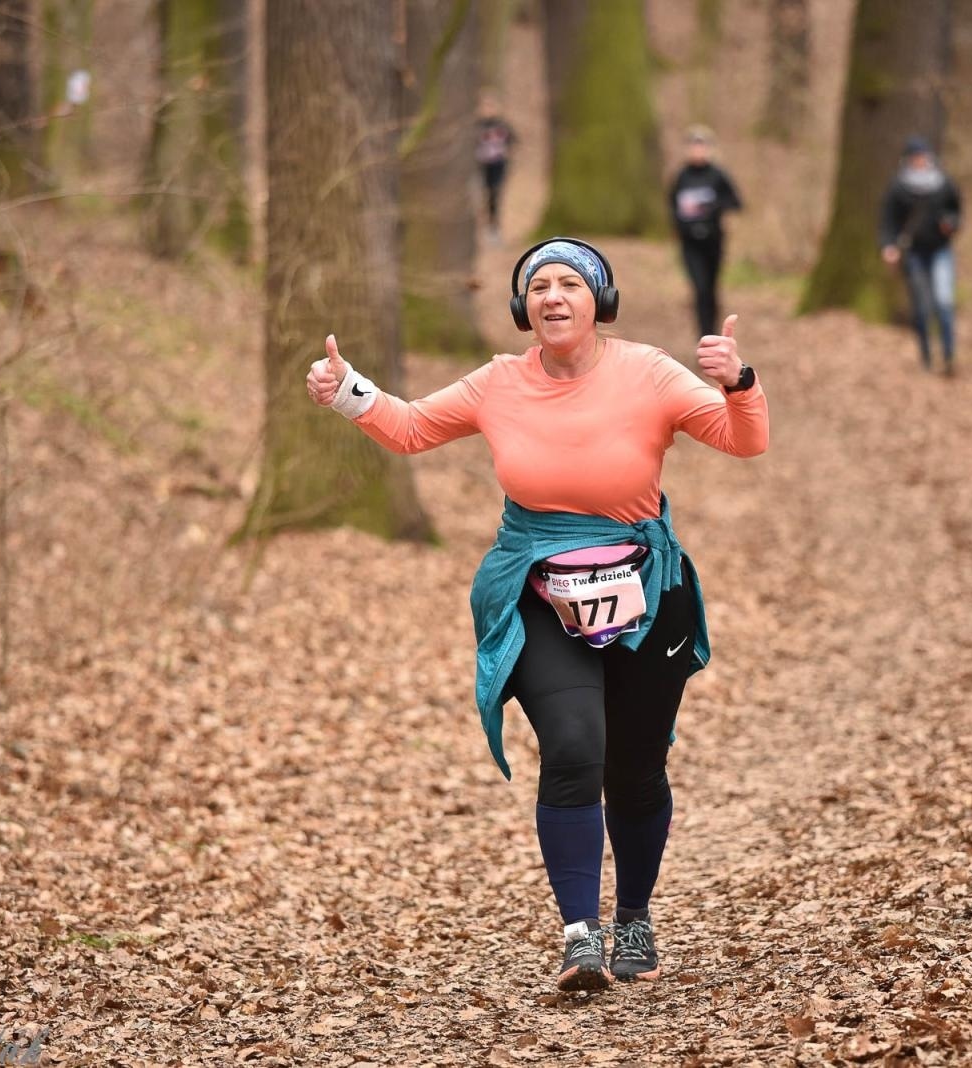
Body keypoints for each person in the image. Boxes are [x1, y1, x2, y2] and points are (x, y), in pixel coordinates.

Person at [305, 238, 768, 993]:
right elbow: (412, 427)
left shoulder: (650, 372)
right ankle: (581, 935)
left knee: (636, 768)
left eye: (569, 284)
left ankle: (634, 918)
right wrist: (346, 390)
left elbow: (744, 441)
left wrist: (740, 383)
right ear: (523, 308)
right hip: (540, 592)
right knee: (575, 746)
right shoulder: (499, 382)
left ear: (599, 301)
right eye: (539, 286)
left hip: (647, 590)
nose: (553, 296)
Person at [878, 135, 962, 374]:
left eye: (923, 157)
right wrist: (888, 246)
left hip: (941, 251)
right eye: (916, 158)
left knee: (944, 303)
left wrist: (951, 224)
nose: (920, 162)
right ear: (908, 160)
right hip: (914, 253)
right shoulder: (898, 187)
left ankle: (949, 357)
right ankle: (926, 358)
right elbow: (888, 221)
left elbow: (956, 210)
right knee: (922, 308)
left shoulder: (944, 184)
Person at [668, 126, 742, 339]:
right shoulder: (682, 176)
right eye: (694, 146)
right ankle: (703, 335)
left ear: (709, 149)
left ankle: (713, 331)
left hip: (713, 241)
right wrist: (681, 222)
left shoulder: (717, 175)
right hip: (690, 243)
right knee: (699, 288)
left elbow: (736, 202)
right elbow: (671, 205)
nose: (697, 151)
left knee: (710, 288)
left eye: (701, 146)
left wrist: (712, 206)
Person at [474, 92, 517, 245]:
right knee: (478, 197)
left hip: (498, 165)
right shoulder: (476, 126)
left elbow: (514, 140)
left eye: (491, 105)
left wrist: (506, 152)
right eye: (485, 105)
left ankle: (493, 229)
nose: (488, 109)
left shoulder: (502, 125)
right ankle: (478, 231)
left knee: (494, 196)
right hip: (480, 167)